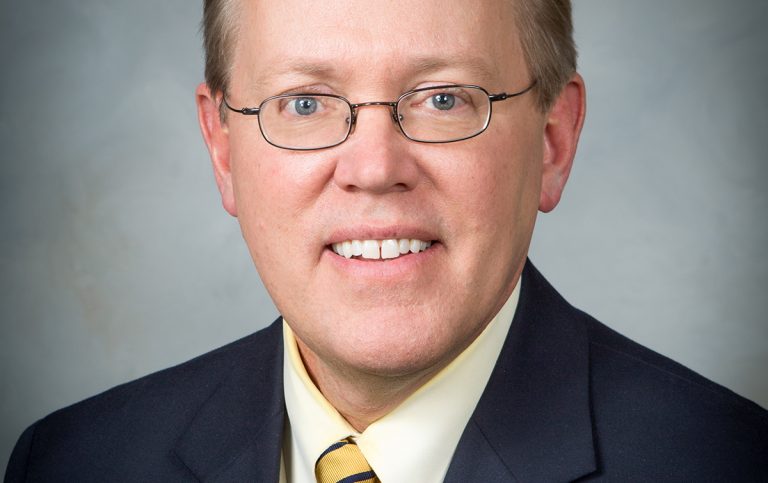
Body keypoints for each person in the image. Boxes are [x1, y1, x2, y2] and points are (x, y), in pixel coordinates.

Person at [5, 0, 767, 481]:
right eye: (305, 103)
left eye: (443, 98)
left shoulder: (726, 463)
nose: (373, 169)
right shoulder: (71, 462)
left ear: (553, 140)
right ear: (222, 148)